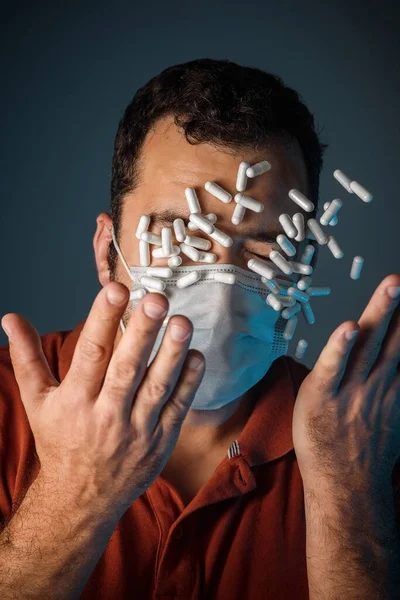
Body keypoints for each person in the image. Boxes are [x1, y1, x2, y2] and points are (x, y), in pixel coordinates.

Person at [1, 58, 399, 600]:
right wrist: (75, 495)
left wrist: (347, 496)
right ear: (106, 251)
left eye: (263, 249)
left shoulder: (365, 451)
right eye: (178, 237)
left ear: (302, 266)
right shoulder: (5, 412)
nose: (223, 283)